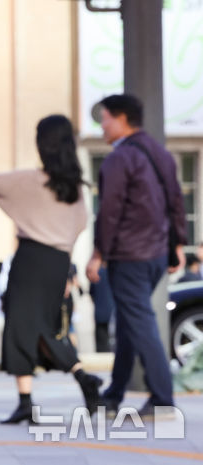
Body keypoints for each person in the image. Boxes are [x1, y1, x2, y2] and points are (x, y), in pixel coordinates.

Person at [0, 115, 102, 424]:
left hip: (31, 260)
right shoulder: (74, 188)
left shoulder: (32, 180)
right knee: (33, 329)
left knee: (24, 328)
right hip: (58, 263)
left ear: (42, 144)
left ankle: (78, 379)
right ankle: (30, 400)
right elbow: (79, 225)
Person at [86, 94, 187, 417]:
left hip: (129, 255)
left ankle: (162, 399)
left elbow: (110, 211)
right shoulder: (162, 154)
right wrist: (177, 246)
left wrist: (98, 253)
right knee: (130, 322)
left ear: (121, 118)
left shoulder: (120, 158)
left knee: (140, 322)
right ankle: (115, 394)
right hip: (156, 253)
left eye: (104, 119)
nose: (101, 126)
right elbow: (176, 203)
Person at [90, 267, 116, 352]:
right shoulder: (115, 272)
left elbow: (92, 293)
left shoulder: (96, 273)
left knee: (101, 345)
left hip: (100, 312)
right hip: (113, 312)